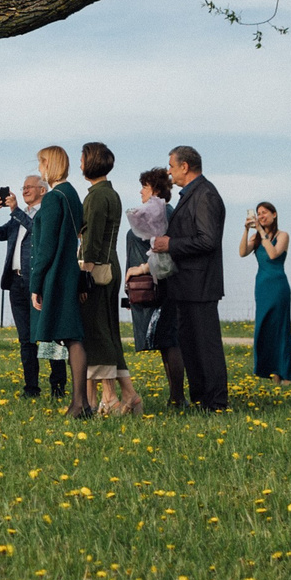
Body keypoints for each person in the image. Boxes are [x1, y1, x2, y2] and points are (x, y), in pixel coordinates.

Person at [150, 144, 228, 412]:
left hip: (200, 285)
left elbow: (208, 240)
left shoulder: (205, 195)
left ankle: (215, 402)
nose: (169, 172)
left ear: (185, 166)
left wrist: (170, 244)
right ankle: (201, 399)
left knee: (206, 346)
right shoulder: (190, 195)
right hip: (185, 285)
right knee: (191, 345)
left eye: (172, 166)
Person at [76, 142, 139, 415]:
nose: (79, 164)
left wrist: (84, 274)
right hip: (110, 264)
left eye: (82, 159)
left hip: (97, 268)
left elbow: (92, 238)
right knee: (109, 331)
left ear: (91, 162)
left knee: (97, 331)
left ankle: (110, 398)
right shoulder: (110, 193)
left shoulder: (97, 196)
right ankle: (126, 395)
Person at [25, 144, 88, 419]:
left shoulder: (53, 198)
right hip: (70, 272)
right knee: (72, 336)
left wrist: (35, 284)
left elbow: (46, 247)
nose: (39, 169)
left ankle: (79, 404)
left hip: (57, 276)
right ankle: (80, 403)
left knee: (72, 337)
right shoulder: (72, 194)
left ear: (49, 164)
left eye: (41, 163)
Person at [0, 176, 55, 397]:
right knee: (26, 339)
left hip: (38, 283)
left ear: (42, 190)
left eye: (29, 187)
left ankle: (58, 386)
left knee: (50, 336)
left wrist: (15, 210)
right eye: (23, 187)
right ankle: (31, 388)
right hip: (16, 282)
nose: (24, 191)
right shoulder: (18, 217)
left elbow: (38, 232)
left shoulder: (46, 213)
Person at [124, 167, 184, 409]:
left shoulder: (158, 212)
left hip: (160, 286)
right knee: (167, 341)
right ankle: (176, 397)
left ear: (155, 190)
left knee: (169, 340)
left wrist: (140, 269)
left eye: (145, 187)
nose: (141, 191)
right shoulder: (162, 211)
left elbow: (163, 253)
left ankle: (178, 397)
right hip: (161, 285)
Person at [239, 199, 291, 384]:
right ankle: (272, 373)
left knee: (280, 329)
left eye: (264, 212)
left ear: (274, 214)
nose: (261, 216)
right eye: (258, 213)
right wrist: (246, 230)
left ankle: (285, 375)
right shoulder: (256, 238)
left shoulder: (282, 235)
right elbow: (242, 252)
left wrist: (261, 232)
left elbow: (273, 254)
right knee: (264, 328)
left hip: (278, 286)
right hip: (262, 286)